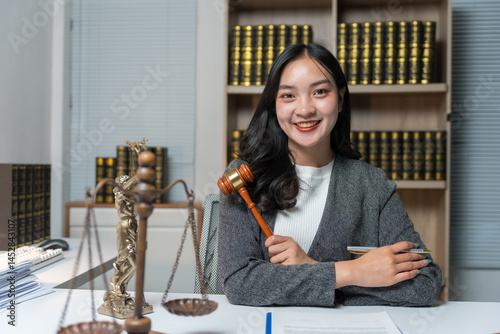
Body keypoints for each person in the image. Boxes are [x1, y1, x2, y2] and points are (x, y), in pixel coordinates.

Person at [217, 42, 442, 307]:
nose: (305, 109)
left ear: (340, 99)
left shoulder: (371, 186)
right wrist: (352, 272)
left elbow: (425, 284)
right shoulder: (245, 177)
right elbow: (240, 282)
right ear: (274, 105)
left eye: (320, 92)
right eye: (288, 95)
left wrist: (310, 267)